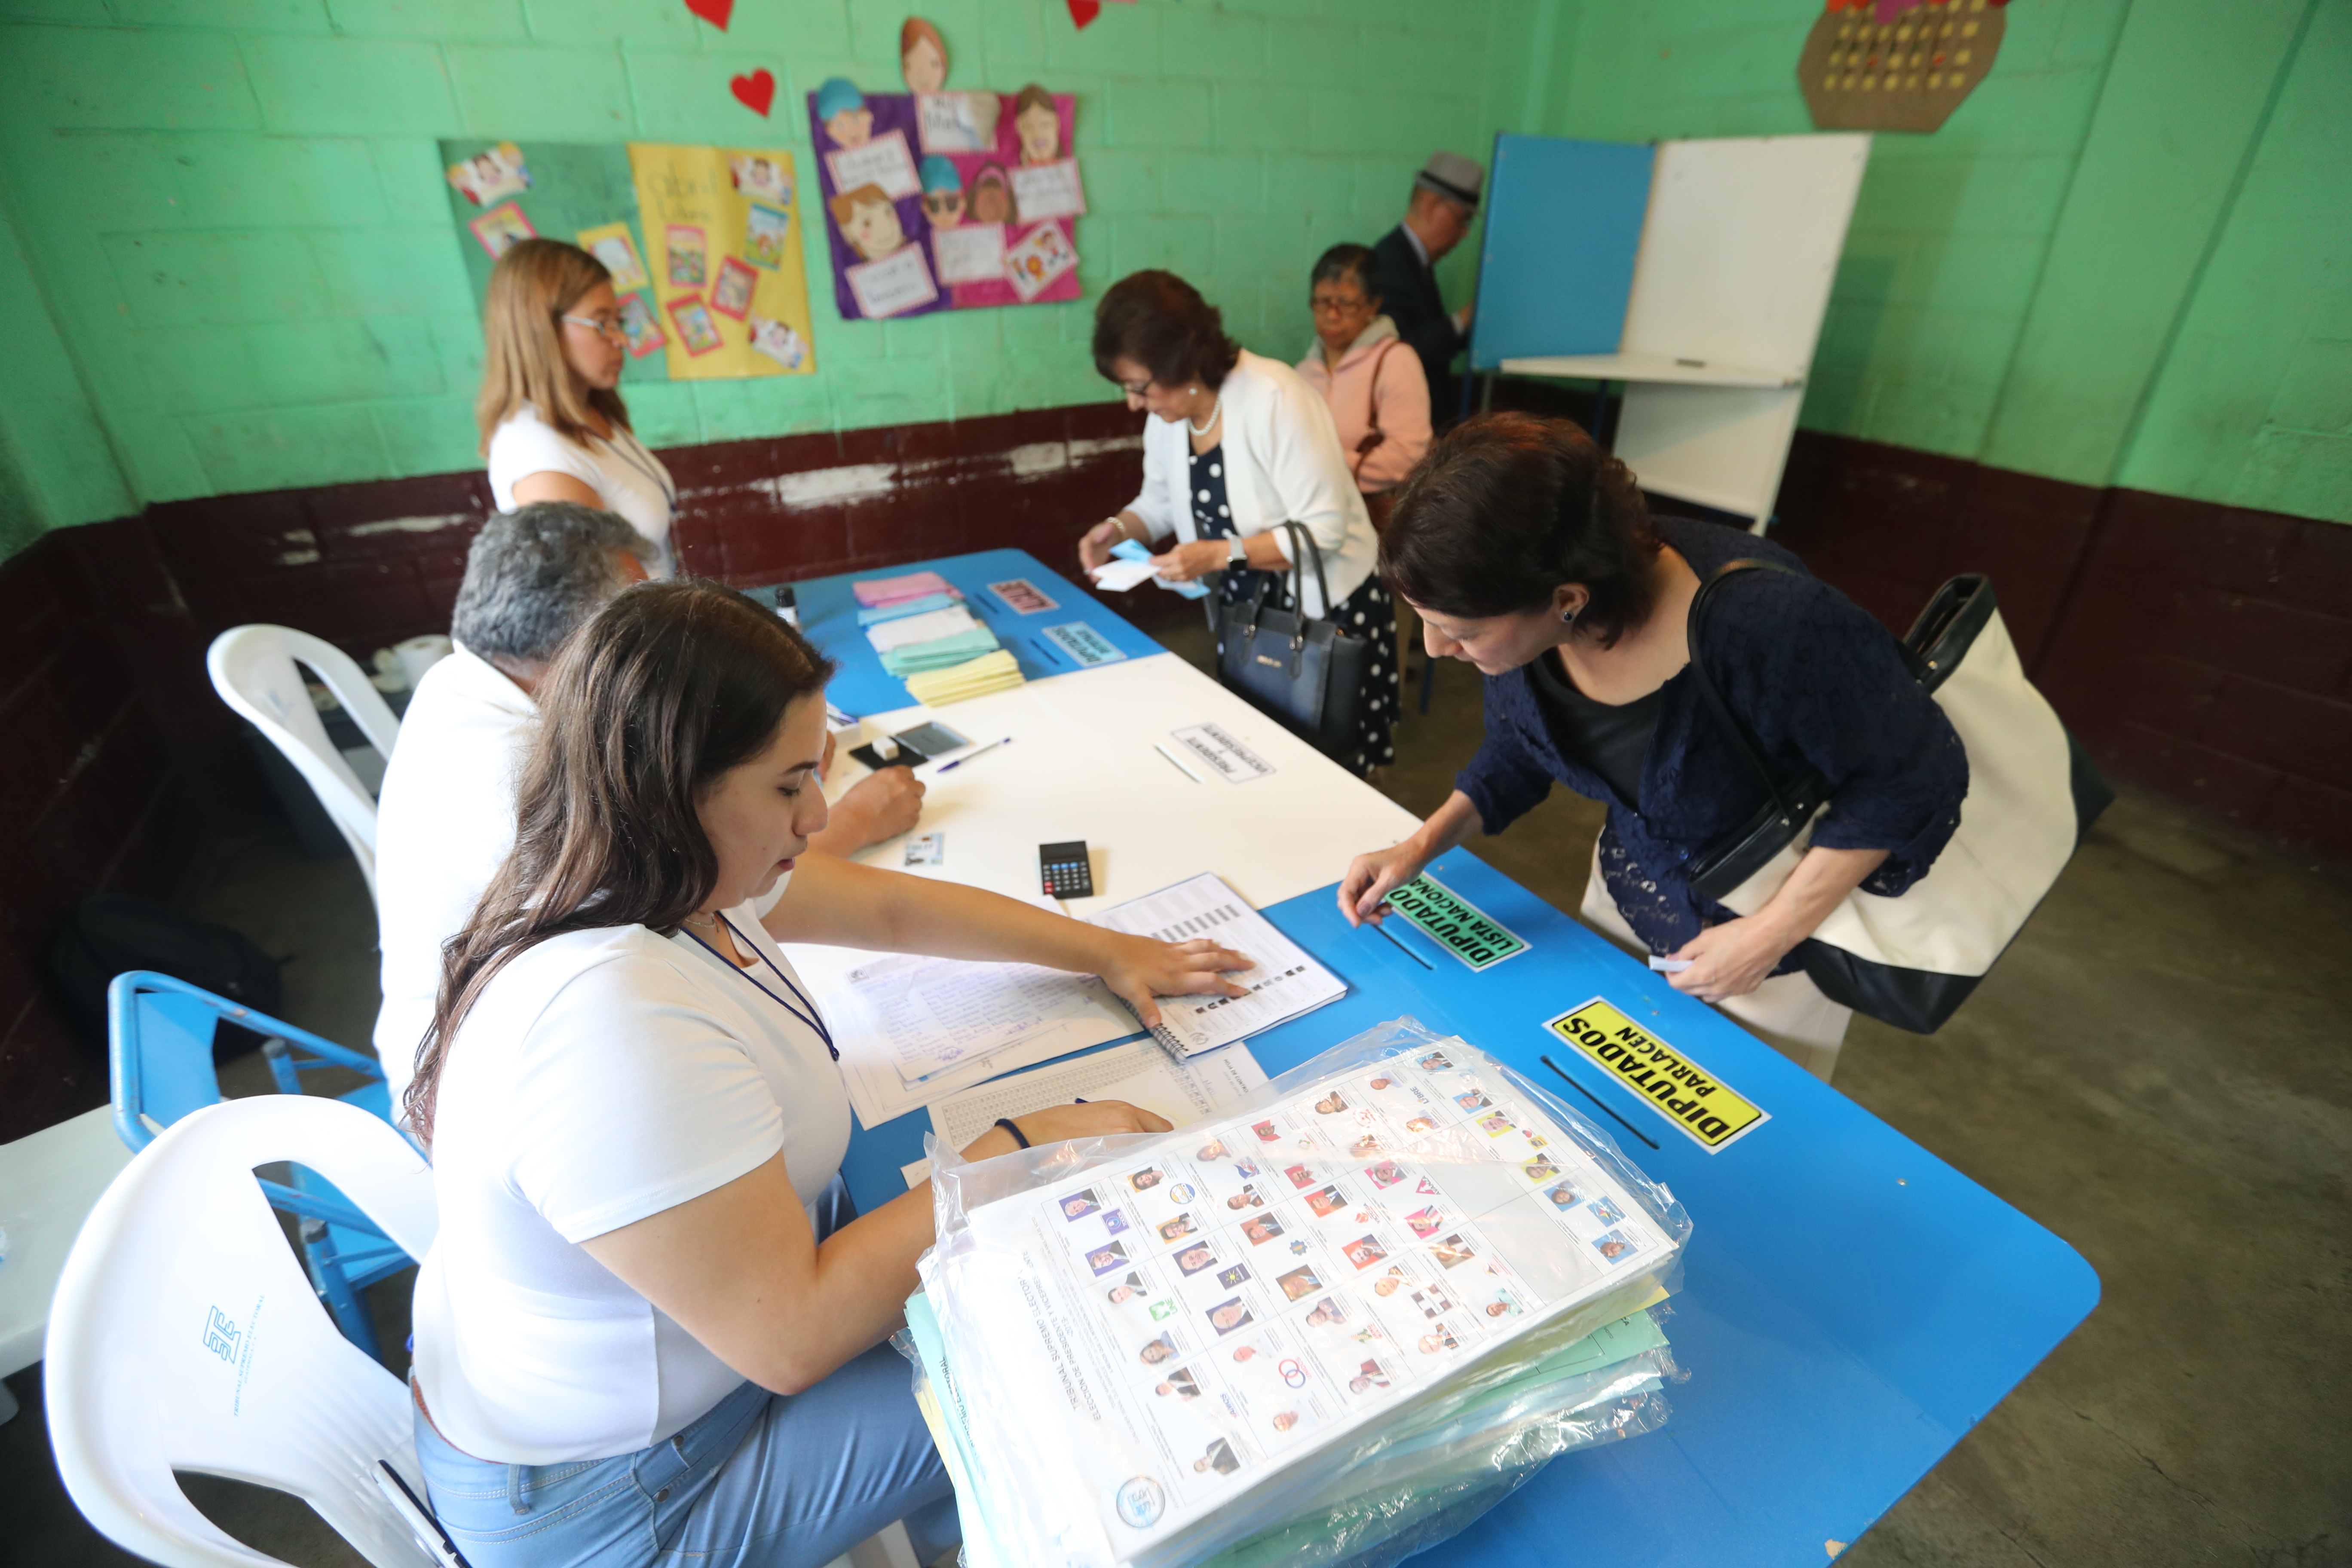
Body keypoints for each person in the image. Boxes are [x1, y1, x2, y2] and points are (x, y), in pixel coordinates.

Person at [404, 579, 1250, 1567]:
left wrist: (1104, 948)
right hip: (627, 1492)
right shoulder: (608, 1023)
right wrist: (1026, 1144)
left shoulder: (652, 865)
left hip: (675, 1368)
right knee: (1067, 1359)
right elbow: (791, 1337)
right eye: (788, 785)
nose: (817, 816)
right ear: (675, 785)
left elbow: (891, 910)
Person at [1337, 413, 1968, 1080]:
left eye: (1458, 630)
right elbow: (1523, 746)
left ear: (1567, 598)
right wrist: (1420, 847)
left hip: (1770, 948)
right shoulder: (1527, 614)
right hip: (1627, 896)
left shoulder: (1769, 622)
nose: (1436, 648)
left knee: (1743, 1124)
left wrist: (1770, 935)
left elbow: (1909, 776)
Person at [373, 503, 926, 1112]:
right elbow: (730, 883)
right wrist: (852, 821)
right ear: (596, 655)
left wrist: (778, 761)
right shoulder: (509, 776)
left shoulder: (458, 681)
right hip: (480, 1095)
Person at [1077, 271, 1396, 775]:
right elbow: (1160, 501)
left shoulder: (1275, 396)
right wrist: (1116, 530)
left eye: (1139, 387)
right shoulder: (1168, 417)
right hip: (1247, 611)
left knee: (1331, 769)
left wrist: (1216, 554)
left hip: (1326, 612)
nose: (1133, 403)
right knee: (1258, 756)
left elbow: (1325, 531)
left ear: (1181, 359)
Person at [478, 239, 677, 576]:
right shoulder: (539, 455)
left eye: (618, 321)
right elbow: (604, 594)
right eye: (602, 324)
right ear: (542, 328)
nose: (622, 339)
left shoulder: (589, 409)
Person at [1296, 243, 1431, 533]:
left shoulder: (1395, 361)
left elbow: (1409, 455)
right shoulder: (1304, 372)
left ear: (1373, 305)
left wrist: (1326, 467)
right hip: (1312, 518)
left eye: (1346, 304)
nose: (1332, 315)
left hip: (1371, 523)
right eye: (1323, 302)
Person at [1373, 151, 1485, 414]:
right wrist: (1462, 320)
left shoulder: (1415, 260)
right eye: (1463, 219)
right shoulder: (1390, 262)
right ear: (1432, 205)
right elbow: (1404, 349)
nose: (1465, 232)